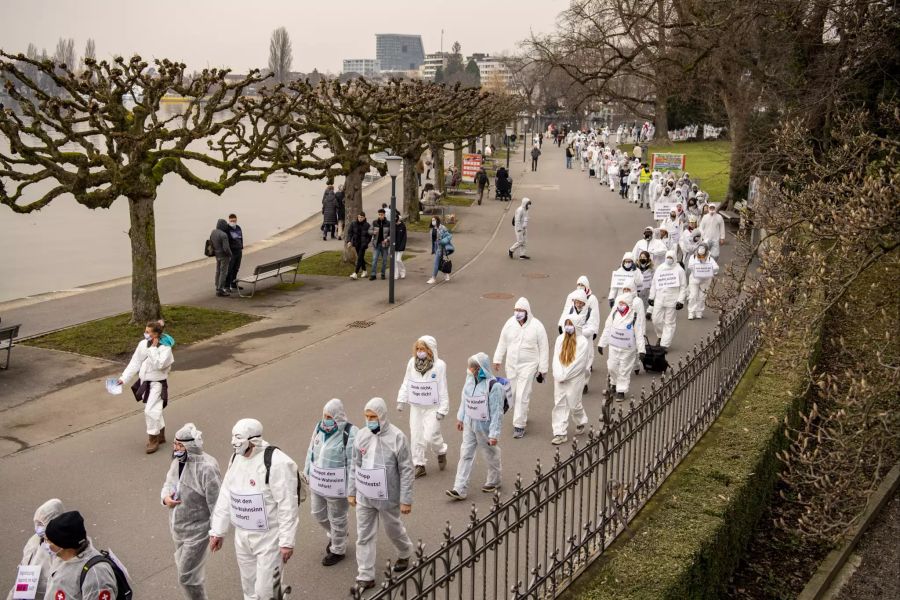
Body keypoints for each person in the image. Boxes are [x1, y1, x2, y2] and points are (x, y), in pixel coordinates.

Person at [209, 419, 299, 600]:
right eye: (232, 436)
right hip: (242, 537)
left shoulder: (276, 462)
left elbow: (287, 504)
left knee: (266, 591)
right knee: (249, 589)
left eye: (238, 437)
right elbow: (226, 494)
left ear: (253, 439)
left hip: (269, 539)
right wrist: (218, 531)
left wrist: (287, 541)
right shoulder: (235, 459)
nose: (233, 442)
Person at [349, 398, 414, 592]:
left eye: (373, 417)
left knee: (392, 528)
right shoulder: (361, 436)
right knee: (364, 535)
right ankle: (365, 575)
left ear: (382, 416)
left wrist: (406, 499)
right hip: (365, 495)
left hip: (388, 496)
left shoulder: (397, 438)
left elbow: (406, 470)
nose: (370, 420)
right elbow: (355, 464)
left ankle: (404, 551)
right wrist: (351, 491)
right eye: (367, 417)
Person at [161, 423, 221, 600]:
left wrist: (217, 532)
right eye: (175, 444)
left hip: (198, 532)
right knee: (187, 572)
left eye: (180, 445)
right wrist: (165, 498)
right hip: (178, 528)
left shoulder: (207, 468)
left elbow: (216, 502)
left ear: (190, 446)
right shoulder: (177, 462)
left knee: (186, 577)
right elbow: (168, 484)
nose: (176, 448)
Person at [304, 399, 357, 567]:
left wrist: (351, 489)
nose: (325, 419)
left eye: (329, 416)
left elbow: (353, 462)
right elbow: (311, 450)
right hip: (318, 482)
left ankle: (338, 549)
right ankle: (336, 535)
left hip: (337, 486)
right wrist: (307, 471)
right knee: (318, 513)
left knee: (337, 517)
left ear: (337, 416)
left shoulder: (350, 432)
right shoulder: (319, 428)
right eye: (324, 415)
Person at [446, 353, 504, 500]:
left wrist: (494, 434)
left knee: (490, 454)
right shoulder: (470, 380)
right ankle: (459, 488)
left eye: (473, 367)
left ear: (480, 368)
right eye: (470, 366)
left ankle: (494, 480)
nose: (470, 370)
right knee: (465, 454)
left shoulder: (494, 386)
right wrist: (460, 418)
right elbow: (464, 399)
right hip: (469, 424)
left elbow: (497, 411)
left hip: (484, 427)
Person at [492, 297, 550, 438]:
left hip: (529, 366)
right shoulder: (510, 324)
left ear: (527, 311)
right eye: (516, 310)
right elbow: (502, 341)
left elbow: (544, 348)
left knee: (523, 394)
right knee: (513, 393)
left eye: (521, 310)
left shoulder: (537, 326)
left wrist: (543, 368)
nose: (518, 313)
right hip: (512, 365)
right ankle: (522, 412)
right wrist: (497, 359)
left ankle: (519, 425)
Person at [396, 335, 449, 478]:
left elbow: (443, 388)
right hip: (416, 407)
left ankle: (441, 451)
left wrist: (442, 409)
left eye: (423, 349)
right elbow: (407, 381)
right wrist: (401, 399)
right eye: (418, 349)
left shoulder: (439, 366)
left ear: (430, 350)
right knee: (416, 434)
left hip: (432, 407)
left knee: (431, 435)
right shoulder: (412, 363)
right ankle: (419, 464)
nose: (420, 351)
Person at [118, 320, 174, 454]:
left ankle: (153, 438)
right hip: (146, 382)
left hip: (157, 384)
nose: (145, 334)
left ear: (156, 334)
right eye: (145, 331)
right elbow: (135, 362)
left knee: (150, 411)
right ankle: (160, 434)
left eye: (148, 332)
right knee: (154, 409)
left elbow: (160, 365)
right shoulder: (143, 344)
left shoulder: (165, 349)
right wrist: (123, 378)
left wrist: (153, 349)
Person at [44, 511, 119, 599]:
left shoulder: (96, 575)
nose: (46, 543)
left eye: (49, 540)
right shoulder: (61, 557)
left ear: (64, 545)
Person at [6, 498, 64, 600]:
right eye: (37, 523)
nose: (38, 527)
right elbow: (24, 572)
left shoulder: (66, 547)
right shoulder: (34, 541)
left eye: (41, 523)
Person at [598, 291, 647, 400]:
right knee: (612, 367)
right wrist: (602, 343)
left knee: (624, 369)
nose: (620, 306)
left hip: (628, 349)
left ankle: (621, 390)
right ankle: (614, 383)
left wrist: (641, 350)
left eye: (623, 304)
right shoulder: (614, 313)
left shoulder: (634, 316)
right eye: (619, 303)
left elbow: (639, 334)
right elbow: (607, 328)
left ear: (629, 304)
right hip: (614, 347)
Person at [551, 318, 590, 444]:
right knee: (559, 403)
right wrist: (558, 374)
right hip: (560, 377)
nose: (568, 327)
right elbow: (556, 359)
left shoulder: (583, 342)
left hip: (574, 378)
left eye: (571, 324)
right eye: (566, 324)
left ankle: (580, 421)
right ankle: (560, 433)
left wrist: (565, 375)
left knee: (574, 404)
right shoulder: (560, 339)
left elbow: (578, 363)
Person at [648, 250, 688, 349]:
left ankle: (664, 344)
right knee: (656, 320)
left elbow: (683, 286)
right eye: (668, 257)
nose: (669, 260)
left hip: (672, 301)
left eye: (671, 258)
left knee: (669, 322)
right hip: (659, 299)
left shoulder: (679, 270)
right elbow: (654, 283)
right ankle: (661, 336)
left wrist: (680, 300)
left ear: (674, 258)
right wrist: (651, 297)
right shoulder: (660, 268)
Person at [686, 243, 719, 319]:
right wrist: (698, 267)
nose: (701, 256)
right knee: (693, 296)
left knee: (702, 297)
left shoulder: (710, 259)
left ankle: (699, 312)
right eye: (699, 255)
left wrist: (709, 268)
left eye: (702, 255)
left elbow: (716, 267)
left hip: (705, 280)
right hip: (694, 280)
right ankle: (691, 312)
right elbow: (690, 266)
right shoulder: (693, 257)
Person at [210, 218, 233, 297]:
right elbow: (226, 248)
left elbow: (211, 243)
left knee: (218, 271)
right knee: (223, 272)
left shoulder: (213, 232)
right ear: (223, 226)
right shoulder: (223, 235)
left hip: (217, 255)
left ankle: (217, 286)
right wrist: (230, 254)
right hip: (224, 256)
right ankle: (220, 290)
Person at [346, 212, 371, 280]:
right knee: (361, 257)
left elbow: (369, 236)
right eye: (359, 217)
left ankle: (355, 273)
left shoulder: (367, 225)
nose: (360, 218)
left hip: (363, 244)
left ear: (364, 218)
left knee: (359, 258)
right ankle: (365, 271)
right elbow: (350, 233)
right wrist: (349, 241)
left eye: (362, 217)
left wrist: (366, 242)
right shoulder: (353, 224)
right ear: (357, 217)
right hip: (356, 243)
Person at [428, 216, 452, 284]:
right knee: (440, 262)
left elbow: (449, 235)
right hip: (435, 247)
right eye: (432, 220)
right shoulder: (432, 229)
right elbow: (432, 240)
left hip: (440, 247)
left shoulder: (442, 227)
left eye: (434, 220)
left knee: (436, 262)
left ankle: (433, 278)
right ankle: (446, 274)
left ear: (437, 220)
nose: (433, 221)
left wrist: (443, 241)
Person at [369, 208, 390, 281]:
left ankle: (383, 274)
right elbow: (369, 230)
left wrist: (387, 239)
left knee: (384, 260)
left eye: (382, 215)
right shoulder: (374, 222)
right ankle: (373, 274)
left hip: (385, 244)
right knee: (374, 259)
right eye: (379, 215)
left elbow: (391, 234)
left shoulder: (388, 223)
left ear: (384, 215)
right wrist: (373, 232)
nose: (380, 216)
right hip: (376, 244)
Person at [225, 213, 244, 293]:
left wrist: (241, 246)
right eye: (231, 220)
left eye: (234, 220)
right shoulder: (227, 229)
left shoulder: (238, 227)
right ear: (229, 220)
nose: (233, 222)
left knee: (236, 268)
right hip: (232, 252)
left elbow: (241, 237)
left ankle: (233, 283)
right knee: (230, 269)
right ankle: (226, 286)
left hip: (238, 250)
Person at [636, 251, 654, 318]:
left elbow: (653, 279)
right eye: (641, 257)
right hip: (638, 290)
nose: (642, 258)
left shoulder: (651, 269)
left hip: (647, 290)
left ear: (648, 258)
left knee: (645, 305)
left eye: (644, 257)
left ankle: (649, 312)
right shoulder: (635, 268)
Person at [392, 213, 407, 280]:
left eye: (396, 218)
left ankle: (403, 271)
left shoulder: (402, 226)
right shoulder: (393, 226)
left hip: (401, 246)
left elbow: (404, 237)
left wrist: (402, 246)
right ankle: (396, 274)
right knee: (395, 261)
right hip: (394, 246)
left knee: (398, 260)